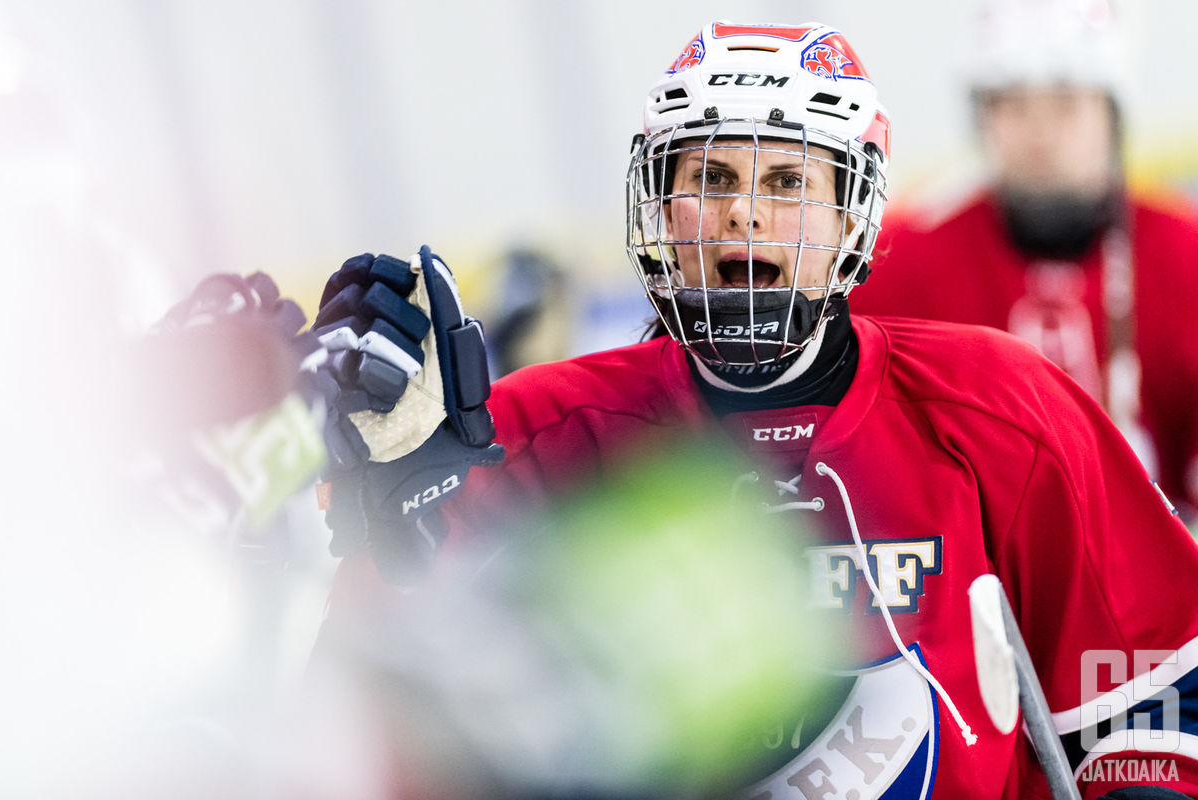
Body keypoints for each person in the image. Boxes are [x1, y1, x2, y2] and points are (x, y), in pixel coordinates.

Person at [310, 19, 1198, 799]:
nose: (742, 213)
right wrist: (399, 552)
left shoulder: (1001, 405)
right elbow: (367, 734)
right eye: (710, 177)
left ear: (853, 217)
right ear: (661, 205)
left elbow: (1155, 666)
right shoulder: (529, 436)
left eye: (786, 182)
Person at [850, 0, 1198, 527]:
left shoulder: (1183, 252)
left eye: (1064, 102)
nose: (1039, 132)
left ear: (1112, 113)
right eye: (1011, 104)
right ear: (982, 116)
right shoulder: (905, 260)